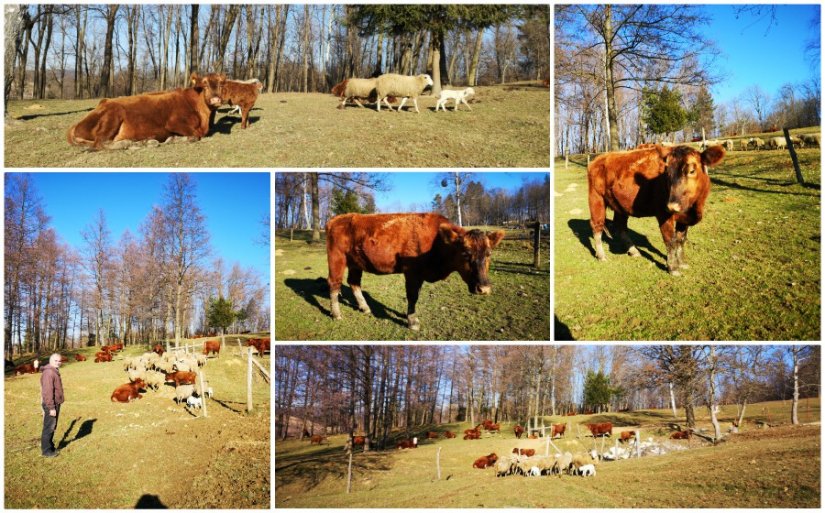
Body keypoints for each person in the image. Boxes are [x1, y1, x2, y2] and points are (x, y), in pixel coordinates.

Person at [40, 353, 64, 457]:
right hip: (51, 404)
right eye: (56, 361)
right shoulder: (49, 372)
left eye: (59, 361)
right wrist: (51, 407)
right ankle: (46, 451)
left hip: (55, 402)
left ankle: (50, 446)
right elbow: (48, 391)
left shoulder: (54, 371)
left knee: (52, 426)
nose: (58, 363)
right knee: (49, 427)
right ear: (50, 361)